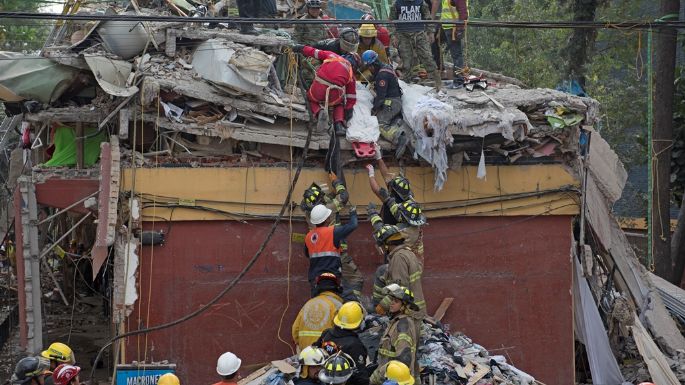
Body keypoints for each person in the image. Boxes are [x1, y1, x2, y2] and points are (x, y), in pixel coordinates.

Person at [301, 178, 363, 302]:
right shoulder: (331, 223)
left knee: (317, 298)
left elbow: (307, 253)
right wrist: (336, 182)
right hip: (337, 258)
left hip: (316, 271)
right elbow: (344, 197)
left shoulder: (310, 223)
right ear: (326, 218)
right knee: (354, 280)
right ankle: (352, 305)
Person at [291, 45, 360, 136]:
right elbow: (351, 97)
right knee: (339, 103)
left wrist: (300, 48)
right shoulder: (351, 74)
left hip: (318, 88)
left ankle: (318, 111)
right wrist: (348, 112)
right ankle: (338, 125)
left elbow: (314, 52)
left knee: (310, 98)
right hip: (333, 95)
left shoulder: (332, 55)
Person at [360, 51, 407, 158]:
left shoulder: (382, 75)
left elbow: (380, 98)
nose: (369, 70)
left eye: (369, 67)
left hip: (392, 102)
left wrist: (373, 110)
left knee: (379, 124)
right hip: (395, 101)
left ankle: (398, 137)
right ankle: (397, 122)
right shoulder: (385, 68)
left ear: (373, 64)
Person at [371, 223, 426, 316]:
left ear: (388, 244)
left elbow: (400, 289)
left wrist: (382, 306)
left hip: (409, 313)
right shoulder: (408, 253)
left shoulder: (398, 258)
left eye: (383, 245)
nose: (383, 248)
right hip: (416, 310)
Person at [303, 203, 358, 290]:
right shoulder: (333, 232)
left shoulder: (308, 236)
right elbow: (353, 225)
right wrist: (353, 212)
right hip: (332, 278)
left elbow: (307, 254)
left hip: (315, 280)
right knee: (348, 297)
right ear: (327, 219)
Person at [372, 285, 420, 383]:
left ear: (404, 306)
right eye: (392, 299)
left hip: (395, 379)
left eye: (396, 301)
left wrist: (382, 376)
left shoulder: (403, 325)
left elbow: (403, 359)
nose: (391, 303)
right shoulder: (396, 321)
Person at [389, 0, 441, 90]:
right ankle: (406, 84)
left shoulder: (421, 2)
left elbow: (428, 18)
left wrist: (431, 32)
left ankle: (438, 82)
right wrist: (393, 36)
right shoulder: (397, 3)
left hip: (419, 33)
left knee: (427, 56)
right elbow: (391, 21)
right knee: (407, 61)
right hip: (403, 34)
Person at [314, 302, 368, 385]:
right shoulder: (355, 345)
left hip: (323, 380)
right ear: (359, 323)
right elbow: (361, 377)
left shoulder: (326, 334)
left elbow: (314, 354)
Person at [292, 273, 344, 351]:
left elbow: (295, 331)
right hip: (328, 354)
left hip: (306, 354)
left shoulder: (307, 304)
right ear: (337, 288)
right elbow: (343, 333)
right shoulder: (338, 306)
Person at [365, 159, 413, 226]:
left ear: (394, 190)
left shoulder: (390, 200)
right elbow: (386, 177)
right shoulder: (407, 195)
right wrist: (379, 158)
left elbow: (377, 190)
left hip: (391, 230)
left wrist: (371, 174)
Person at [437, 0, 468, 88]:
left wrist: (460, 28)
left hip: (454, 28)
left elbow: (463, 11)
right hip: (449, 27)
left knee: (457, 55)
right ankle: (457, 80)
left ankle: (458, 81)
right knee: (456, 55)